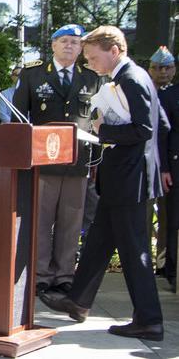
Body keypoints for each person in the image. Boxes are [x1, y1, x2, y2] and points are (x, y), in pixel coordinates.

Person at [41, 26, 168, 342]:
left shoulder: (131, 79)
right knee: (99, 241)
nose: (89, 63)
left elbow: (145, 129)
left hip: (130, 179)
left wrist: (103, 132)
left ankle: (149, 320)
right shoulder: (131, 78)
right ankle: (78, 300)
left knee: (134, 251)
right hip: (122, 179)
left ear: (114, 51)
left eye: (93, 57)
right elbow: (162, 123)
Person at [13, 24, 102, 296]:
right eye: (64, 41)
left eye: (75, 42)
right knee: (41, 220)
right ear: (53, 44)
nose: (69, 46)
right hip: (44, 160)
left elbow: (98, 119)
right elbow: (19, 117)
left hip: (77, 160)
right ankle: (40, 274)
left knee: (71, 222)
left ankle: (64, 275)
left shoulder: (92, 78)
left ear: (81, 48)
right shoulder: (33, 74)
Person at [148, 46, 174, 279]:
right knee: (144, 217)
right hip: (144, 163)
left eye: (167, 68)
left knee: (166, 217)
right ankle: (143, 261)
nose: (162, 72)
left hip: (167, 165)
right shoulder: (144, 90)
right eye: (157, 68)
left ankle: (163, 262)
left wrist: (166, 166)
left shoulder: (174, 94)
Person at [158, 75, 179, 293]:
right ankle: (173, 272)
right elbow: (162, 134)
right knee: (174, 222)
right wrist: (163, 168)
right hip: (175, 168)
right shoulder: (170, 95)